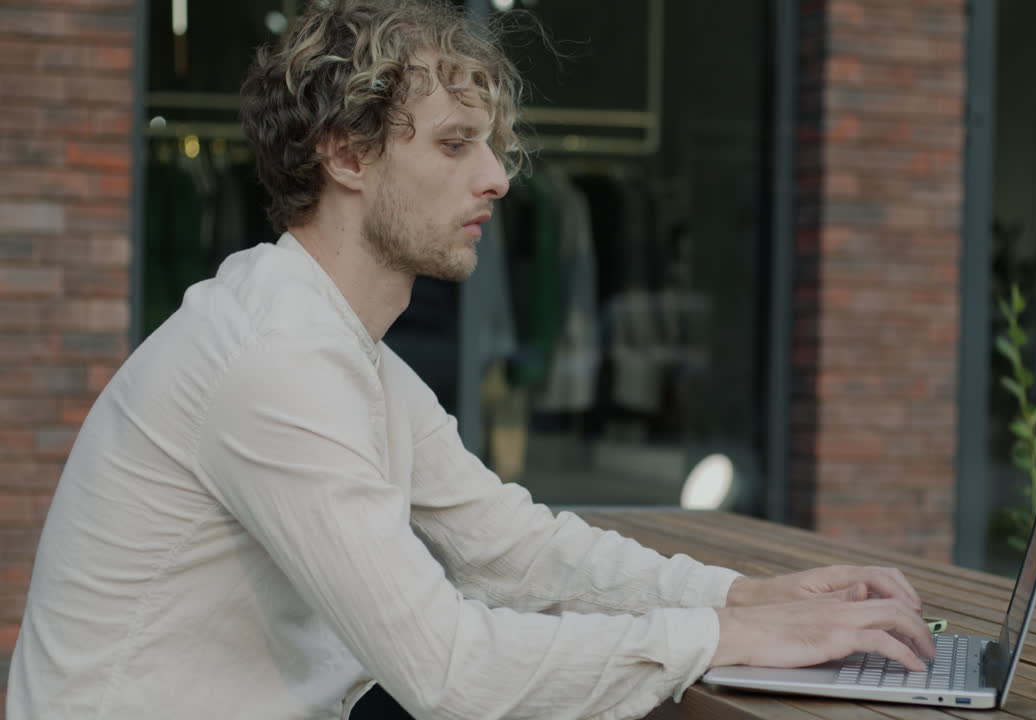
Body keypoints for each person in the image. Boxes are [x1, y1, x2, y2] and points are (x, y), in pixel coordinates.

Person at [6, 1, 934, 718]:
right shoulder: (274, 360)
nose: (496, 173)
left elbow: (511, 547)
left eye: (489, 143)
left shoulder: (338, 349)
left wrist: (751, 595)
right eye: (456, 143)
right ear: (346, 156)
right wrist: (725, 634)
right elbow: (448, 671)